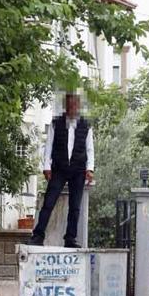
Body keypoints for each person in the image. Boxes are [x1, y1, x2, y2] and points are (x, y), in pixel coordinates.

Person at [30, 93, 94, 248]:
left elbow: (90, 149)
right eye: (70, 105)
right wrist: (46, 166)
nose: (72, 108)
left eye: (75, 105)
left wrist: (90, 169)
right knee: (48, 202)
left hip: (78, 170)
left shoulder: (86, 125)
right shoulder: (55, 123)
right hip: (59, 168)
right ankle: (38, 236)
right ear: (66, 107)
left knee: (75, 206)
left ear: (78, 107)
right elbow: (48, 146)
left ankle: (70, 239)